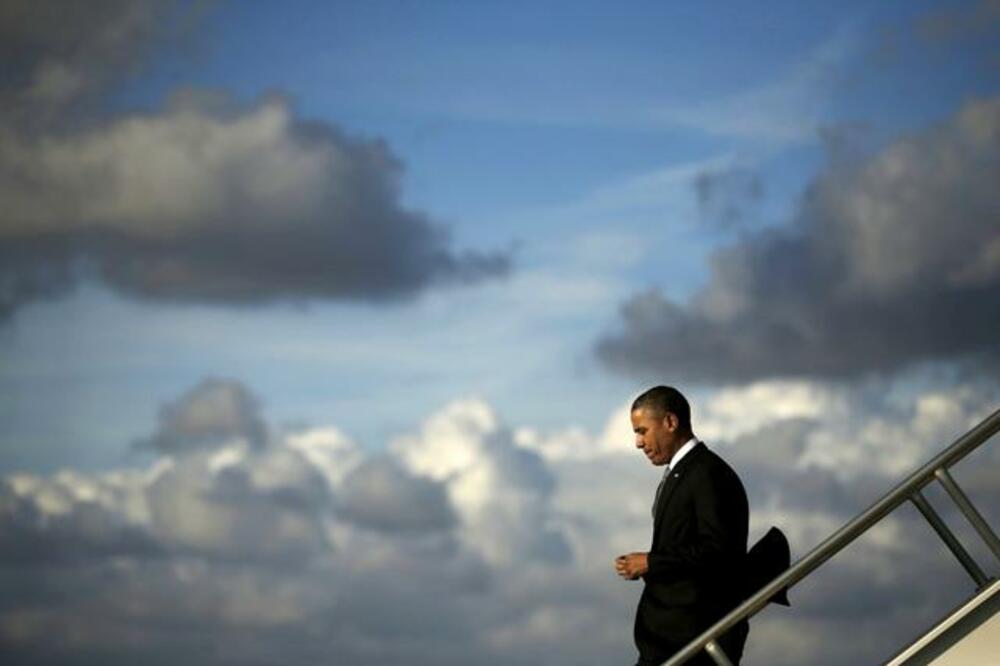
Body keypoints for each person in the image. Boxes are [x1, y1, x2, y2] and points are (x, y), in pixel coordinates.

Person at [615, 386, 749, 666]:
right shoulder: (685, 472)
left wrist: (652, 563)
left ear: (670, 422)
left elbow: (718, 552)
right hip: (670, 639)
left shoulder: (707, 473)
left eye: (642, 431)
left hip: (694, 638)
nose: (638, 443)